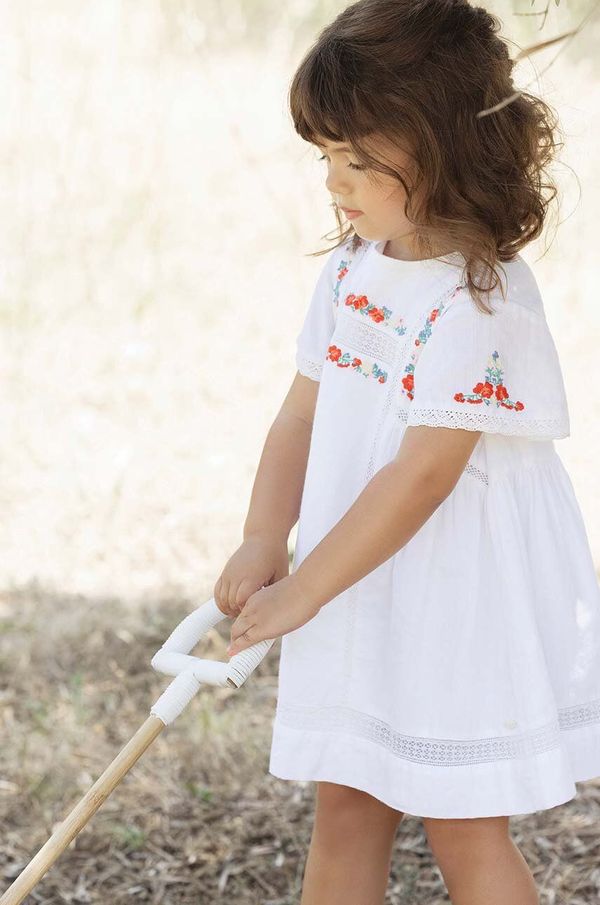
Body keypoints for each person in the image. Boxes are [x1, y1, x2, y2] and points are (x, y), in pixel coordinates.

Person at [214, 2, 600, 903]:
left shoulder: (481, 301)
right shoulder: (352, 267)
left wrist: (305, 591)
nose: (334, 184)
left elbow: (425, 476)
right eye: (326, 159)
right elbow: (300, 418)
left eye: (358, 161)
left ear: (446, 149)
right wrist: (267, 537)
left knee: (461, 821)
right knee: (345, 801)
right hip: (357, 578)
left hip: (450, 595)